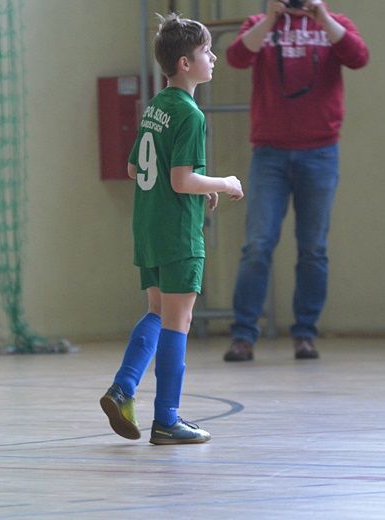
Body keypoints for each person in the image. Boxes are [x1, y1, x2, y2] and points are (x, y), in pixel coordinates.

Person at [99, 14, 244, 445]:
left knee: (158, 312)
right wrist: (224, 183)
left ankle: (123, 388)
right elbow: (182, 180)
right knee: (178, 321)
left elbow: (134, 166)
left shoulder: (156, 106)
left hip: (147, 226)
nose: (213, 57)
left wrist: (197, 190)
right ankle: (166, 419)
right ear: (184, 63)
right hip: (178, 233)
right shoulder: (190, 114)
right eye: (205, 52)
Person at [224, 1, 368, 362]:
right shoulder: (260, 22)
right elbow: (237, 57)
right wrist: (273, 18)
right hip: (269, 153)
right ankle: (243, 335)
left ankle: (305, 334)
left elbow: (358, 56)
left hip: (320, 152)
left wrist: (321, 16)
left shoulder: (334, 24)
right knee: (257, 244)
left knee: (313, 248)